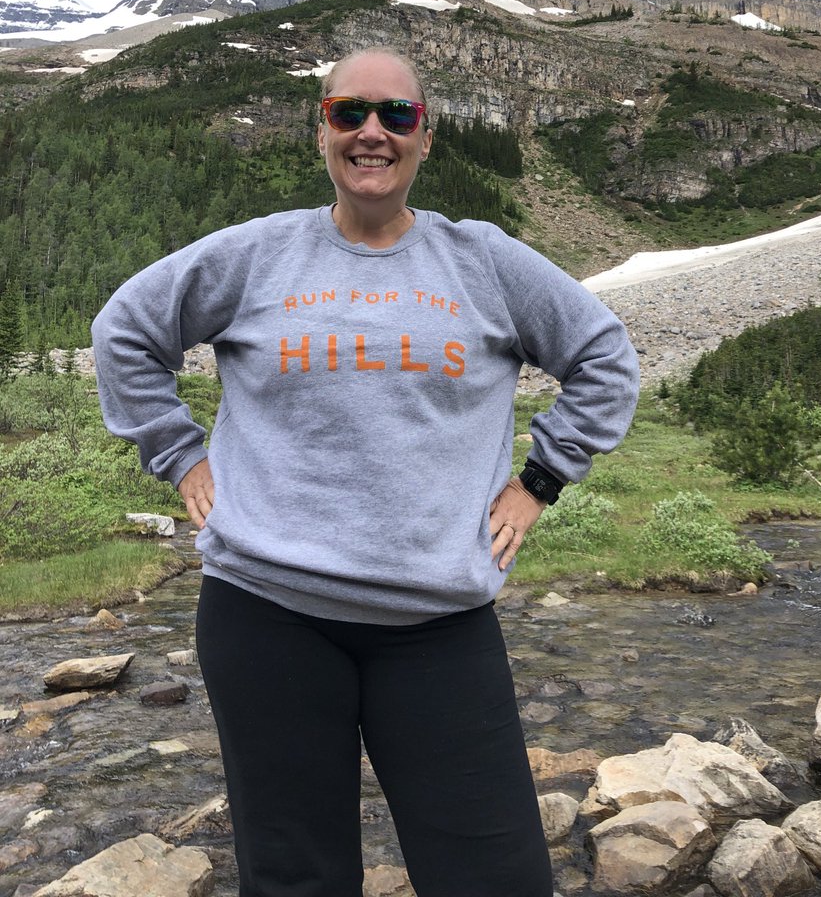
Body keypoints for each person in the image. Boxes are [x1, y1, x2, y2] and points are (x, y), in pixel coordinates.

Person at [91, 48, 640, 897]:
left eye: (396, 116)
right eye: (350, 114)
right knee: (295, 879)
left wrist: (539, 482)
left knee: (495, 877)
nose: (372, 133)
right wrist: (178, 453)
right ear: (323, 130)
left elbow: (604, 355)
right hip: (265, 617)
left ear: (426, 136)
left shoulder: (483, 261)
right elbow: (125, 329)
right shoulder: (258, 254)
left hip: (437, 626)